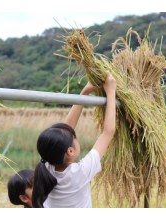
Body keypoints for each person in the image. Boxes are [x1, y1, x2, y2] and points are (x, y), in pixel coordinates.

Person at [32, 74, 116, 208]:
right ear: (70, 151)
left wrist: (85, 92)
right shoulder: (81, 172)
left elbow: (65, 131)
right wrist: (111, 92)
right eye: (74, 137)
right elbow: (108, 132)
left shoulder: (46, 168)